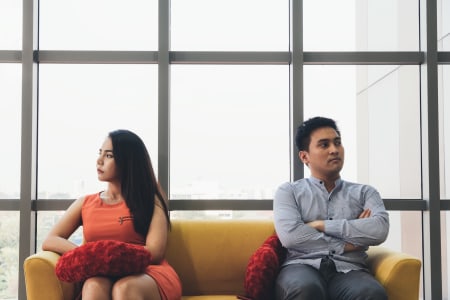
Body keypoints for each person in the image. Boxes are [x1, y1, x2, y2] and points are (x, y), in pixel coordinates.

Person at [42, 129, 182, 300]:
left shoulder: (151, 200)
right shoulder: (85, 203)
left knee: (124, 289)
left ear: (128, 162)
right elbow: (51, 239)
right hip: (101, 272)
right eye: (100, 153)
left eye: (109, 156)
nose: (99, 161)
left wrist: (110, 255)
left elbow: (155, 252)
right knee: (93, 286)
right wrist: (91, 255)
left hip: (147, 273)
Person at [273, 116, 389, 300]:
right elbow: (291, 236)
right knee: (305, 289)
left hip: (349, 269)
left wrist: (321, 225)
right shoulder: (289, 192)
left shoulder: (365, 192)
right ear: (305, 156)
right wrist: (348, 243)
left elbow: (379, 230)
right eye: (324, 145)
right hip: (301, 265)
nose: (334, 150)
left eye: (337, 143)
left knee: (371, 293)